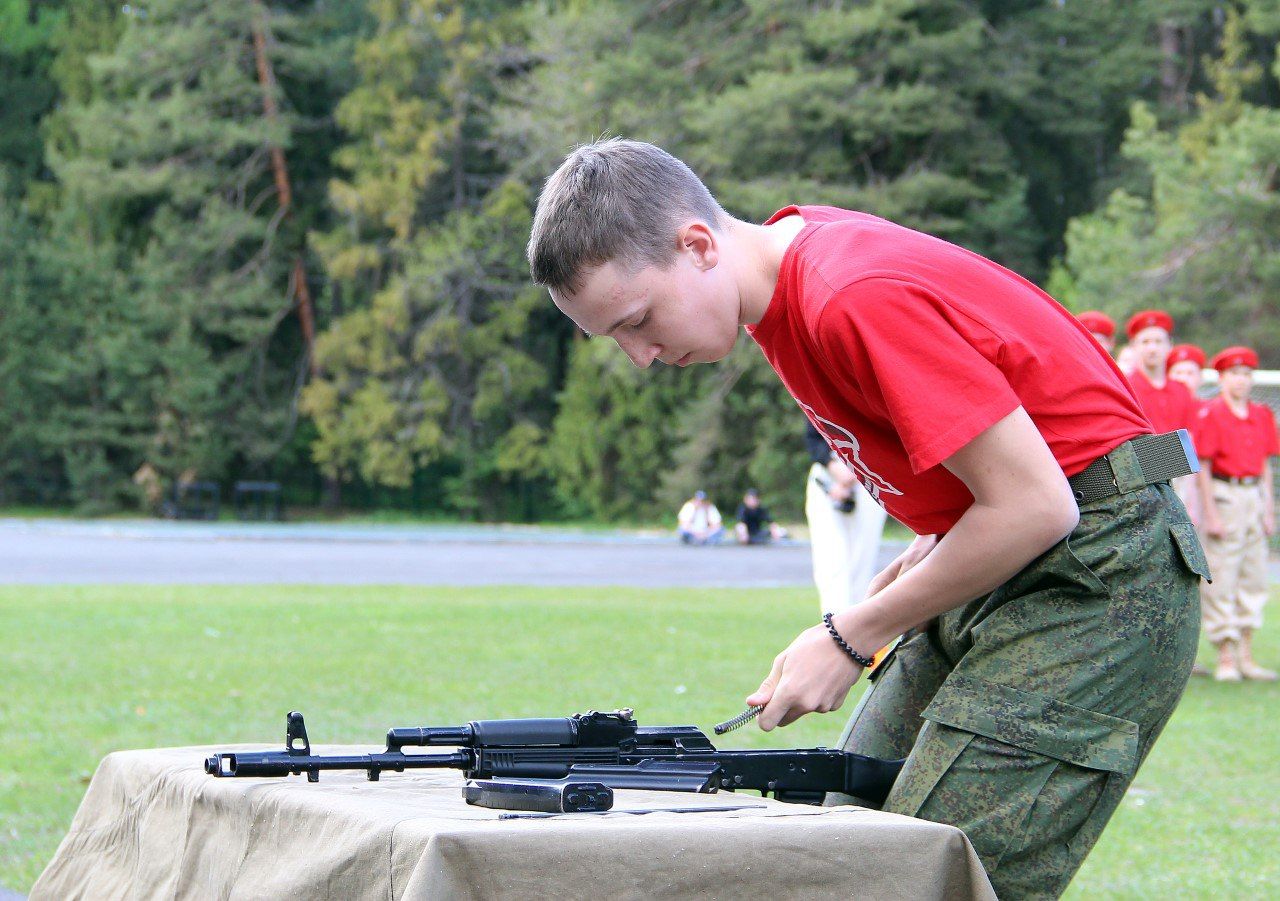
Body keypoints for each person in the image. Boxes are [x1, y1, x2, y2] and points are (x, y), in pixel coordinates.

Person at [527, 138, 1204, 898]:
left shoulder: (847, 291)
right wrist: (914, 562)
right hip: (1020, 561)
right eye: (614, 338)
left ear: (698, 244)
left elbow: (1037, 503)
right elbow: (1007, 463)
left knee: (925, 881)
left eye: (638, 319)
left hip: (1101, 576)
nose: (640, 356)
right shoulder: (783, 295)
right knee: (849, 849)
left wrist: (853, 633)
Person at [1193, 346, 1278, 682]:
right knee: (1222, 574)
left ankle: (1246, 654)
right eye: (1234, 374)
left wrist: (1268, 507)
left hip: (1253, 494)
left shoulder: (1261, 414)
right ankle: (1225, 655)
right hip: (1224, 493)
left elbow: (1266, 465)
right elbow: (1203, 467)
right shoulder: (1211, 413)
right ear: (1223, 378)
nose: (1241, 381)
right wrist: (1210, 513)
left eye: (1246, 374)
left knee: (1254, 574)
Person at [805, 419, 886, 614]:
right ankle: (834, 626)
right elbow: (812, 436)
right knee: (830, 558)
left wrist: (855, 472)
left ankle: (859, 625)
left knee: (862, 558)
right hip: (827, 475)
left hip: (870, 474)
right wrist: (833, 468)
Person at [1124, 310, 1199, 436]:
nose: (1152, 349)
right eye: (1145, 342)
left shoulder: (1182, 390)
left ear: (1170, 345)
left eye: (1158, 341)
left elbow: (1190, 437)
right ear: (1133, 346)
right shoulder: (1125, 389)